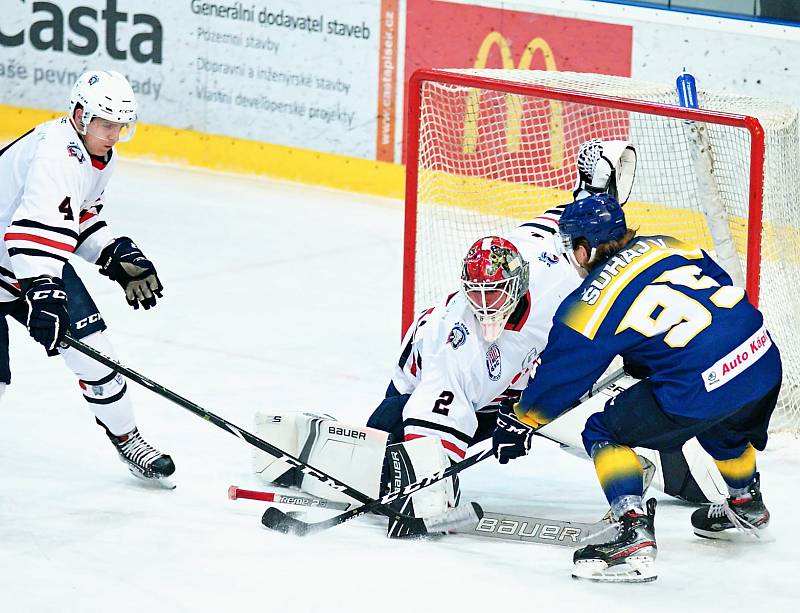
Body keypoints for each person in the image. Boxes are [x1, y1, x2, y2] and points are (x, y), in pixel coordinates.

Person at [492, 193, 781, 582]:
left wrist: (521, 419)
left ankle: (630, 529)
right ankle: (745, 500)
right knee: (723, 422)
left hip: (700, 385)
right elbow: (719, 291)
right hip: (760, 357)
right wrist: (652, 357)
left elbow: (562, 376)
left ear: (583, 250)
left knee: (603, 430)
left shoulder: (588, 302)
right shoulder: (669, 244)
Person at [0, 69, 175, 483]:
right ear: (80, 115)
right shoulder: (54, 153)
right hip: (22, 257)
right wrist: (43, 294)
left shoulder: (93, 154)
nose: (114, 135)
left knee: (98, 359)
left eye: (121, 126)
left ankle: (128, 439)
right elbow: (27, 232)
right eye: (107, 124)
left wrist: (113, 253)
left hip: (29, 260)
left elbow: (75, 217)